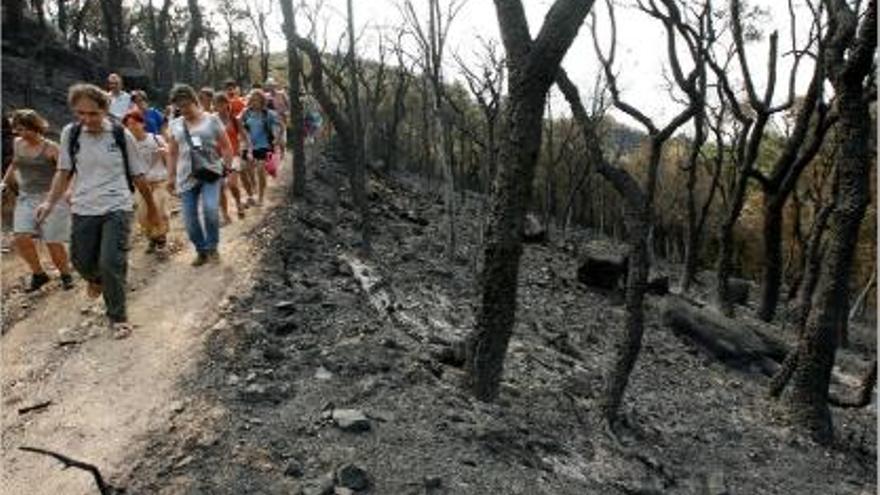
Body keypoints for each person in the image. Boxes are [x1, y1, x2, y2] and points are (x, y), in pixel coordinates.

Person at [36, 83, 161, 338]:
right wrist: (49, 202)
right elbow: (63, 172)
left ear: (104, 110)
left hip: (117, 205)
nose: (86, 119)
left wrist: (152, 208)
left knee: (110, 261)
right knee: (81, 261)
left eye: (92, 113)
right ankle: (97, 280)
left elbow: (138, 174)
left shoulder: (119, 134)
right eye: (80, 113)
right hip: (83, 206)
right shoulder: (71, 134)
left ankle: (118, 317)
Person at [1, 109, 74, 292]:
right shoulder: (18, 143)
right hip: (26, 196)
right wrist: (4, 182)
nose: (20, 133)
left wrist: (69, 191)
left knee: (52, 240)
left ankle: (65, 274)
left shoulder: (52, 148)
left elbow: (68, 171)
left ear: (36, 127)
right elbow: (15, 163)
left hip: (51, 197)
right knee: (20, 237)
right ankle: (39, 274)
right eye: (17, 129)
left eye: (24, 129)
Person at [166, 84, 234, 266]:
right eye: (179, 107)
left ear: (195, 101)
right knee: (189, 220)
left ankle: (212, 248)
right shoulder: (175, 125)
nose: (184, 109)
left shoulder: (212, 120)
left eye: (187, 104)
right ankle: (201, 250)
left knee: (211, 209)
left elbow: (227, 147)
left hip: (211, 172)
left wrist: (228, 171)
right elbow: (172, 152)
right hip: (186, 176)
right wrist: (170, 177)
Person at [122, 109, 172, 257]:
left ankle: (162, 242)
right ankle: (152, 237)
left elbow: (169, 157)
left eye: (135, 123)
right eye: (128, 125)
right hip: (141, 185)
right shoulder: (126, 146)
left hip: (159, 181)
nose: (132, 127)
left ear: (142, 123)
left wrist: (166, 157)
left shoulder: (156, 139)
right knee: (142, 215)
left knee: (159, 210)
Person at [240, 89, 280, 207]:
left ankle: (261, 197)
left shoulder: (268, 114)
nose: (254, 102)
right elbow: (241, 127)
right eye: (252, 99)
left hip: (264, 146)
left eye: (257, 100)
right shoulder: (246, 113)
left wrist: (277, 138)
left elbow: (279, 125)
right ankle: (252, 192)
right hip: (249, 145)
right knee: (244, 170)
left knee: (260, 170)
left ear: (262, 101)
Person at [214, 92, 248, 221]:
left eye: (222, 103)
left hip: (234, 155)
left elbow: (244, 136)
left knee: (232, 184)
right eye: (217, 104)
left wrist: (246, 151)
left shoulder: (234, 120)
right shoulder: (212, 120)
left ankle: (239, 203)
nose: (219, 107)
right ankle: (225, 214)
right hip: (217, 157)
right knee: (220, 186)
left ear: (227, 104)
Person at [223, 79, 255, 205]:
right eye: (228, 88)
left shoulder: (241, 103)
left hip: (242, 139)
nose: (230, 91)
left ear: (236, 89)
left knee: (245, 170)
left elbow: (248, 120)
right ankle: (249, 195)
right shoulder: (222, 104)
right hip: (229, 142)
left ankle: (251, 194)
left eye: (232, 88)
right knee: (240, 172)